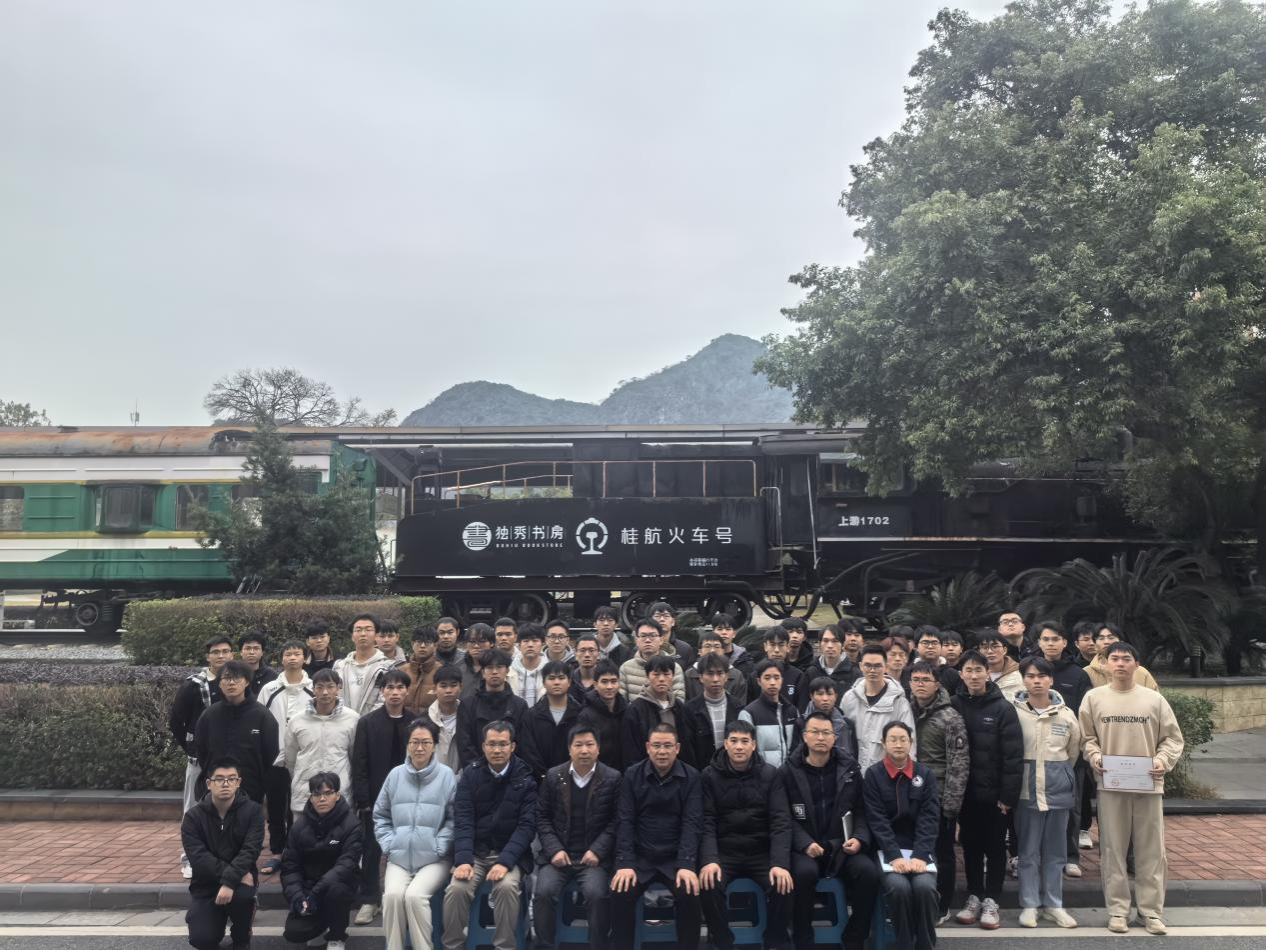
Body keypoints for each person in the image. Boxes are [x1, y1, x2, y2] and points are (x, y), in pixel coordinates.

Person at [1079, 642, 1184, 936]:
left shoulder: (1154, 700)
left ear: (1137, 664)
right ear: (1105, 664)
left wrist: (1163, 760)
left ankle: (1151, 912)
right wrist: (1095, 757)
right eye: (1114, 658)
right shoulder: (1094, 698)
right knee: (1112, 849)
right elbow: (1086, 737)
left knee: (1152, 851)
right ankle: (1117, 911)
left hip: (1148, 785)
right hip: (1111, 786)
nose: (1120, 663)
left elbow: (1172, 739)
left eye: (1126, 659)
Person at [782, 711, 881, 950]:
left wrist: (859, 838)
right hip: (806, 848)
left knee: (868, 873)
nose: (820, 738)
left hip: (841, 847)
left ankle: (854, 937)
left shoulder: (849, 769)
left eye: (826, 733)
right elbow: (782, 816)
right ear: (804, 736)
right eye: (815, 732)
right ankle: (803, 939)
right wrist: (804, 843)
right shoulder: (788, 771)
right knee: (803, 874)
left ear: (834, 737)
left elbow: (861, 810)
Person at [443, 721, 537, 950]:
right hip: (475, 853)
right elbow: (463, 820)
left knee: (506, 887)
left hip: (509, 855)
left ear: (512, 746)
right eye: (492, 744)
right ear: (483, 746)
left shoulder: (525, 778)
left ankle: (504, 946)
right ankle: (453, 945)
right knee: (457, 889)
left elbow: (526, 827)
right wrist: (463, 859)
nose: (497, 750)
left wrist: (505, 861)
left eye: (503, 744)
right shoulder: (471, 774)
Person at [699, 721, 793, 950]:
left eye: (744, 741)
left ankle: (773, 942)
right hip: (724, 852)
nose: (739, 747)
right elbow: (707, 821)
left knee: (785, 884)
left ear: (753, 745)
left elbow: (780, 821)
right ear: (725, 744)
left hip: (760, 851)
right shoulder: (709, 776)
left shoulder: (770, 774)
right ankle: (723, 943)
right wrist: (710, 860)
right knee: (708, 884)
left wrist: (779, 863)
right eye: (733, 741)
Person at [610, 723, 703, 950]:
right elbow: (625, 821)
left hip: (675, 858)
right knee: (620, 891)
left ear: (677, 748)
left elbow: (692, 823)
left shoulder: (691, 776)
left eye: (668, 746)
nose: (662, 751)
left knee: (690, 893)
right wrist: (625, 863)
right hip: (641, 858)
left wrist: (686, 864)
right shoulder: (632, 775)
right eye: (657, 746)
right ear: (647, 747)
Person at [950, 649, 1022, 930]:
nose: (973, 675)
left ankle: (992, 899)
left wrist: (1008, 796)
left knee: (994, 847)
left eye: (978, 670)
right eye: (968, 670)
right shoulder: (953, 705)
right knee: (970, 846)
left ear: (987, 673)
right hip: (965, 795)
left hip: (995, 797)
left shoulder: (1003, 708)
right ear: (961, 674)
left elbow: (1013, 756)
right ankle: (974, 896)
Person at [532, 725, 622, 950]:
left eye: (589, 744)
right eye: (578, 745)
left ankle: (598, 946)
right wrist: (554, 849)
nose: (584, 750)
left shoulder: (612, 778)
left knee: (597, 895)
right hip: (558, 856)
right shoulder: (554, 776)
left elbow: (616, 821)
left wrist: (597, 850)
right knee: (543, 893)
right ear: (569, 749)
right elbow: (542, 817)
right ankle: (545, 946)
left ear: (598, 748)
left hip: (593, 859)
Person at [375, 718, 457, 950]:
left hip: (434, 859)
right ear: (407, 745)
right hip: (399, 857)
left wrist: (439, 846)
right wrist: (390, 844)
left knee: (414, 896)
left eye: (425, 742)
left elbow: (454, 819)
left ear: (434, 745)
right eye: (414, 742)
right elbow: (380, 815)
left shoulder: (447, 776)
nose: (419, 748)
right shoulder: (395, 775)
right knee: (392, 897)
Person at [1012, 657, 1080, 929]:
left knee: (1056, 852)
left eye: (1042, 676)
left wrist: (1059, 775)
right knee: (1027, 852)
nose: (1036, 681)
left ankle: (1054, 904)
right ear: (1023, 680)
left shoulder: (1066, 714)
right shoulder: (1014, 713)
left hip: (1058, 790)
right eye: (1030, 676)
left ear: (1051, 679)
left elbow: (1073, 752)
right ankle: (1029, 905)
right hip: (1025, 792)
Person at [863, 722, 941, 950]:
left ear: (911, 743)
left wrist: (920, 855)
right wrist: (894, 855)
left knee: (925, 888)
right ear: (884, 743)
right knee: (899, 888)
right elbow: (877, 820)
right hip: (887, 852)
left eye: (903, 739)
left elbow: (929, 819)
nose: (898, 744)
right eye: (893, 739)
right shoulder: (873, 775)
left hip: (920, 851)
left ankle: (925, 945)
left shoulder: (924, 774)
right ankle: (904, 944)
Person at [350, 667, 417, 926]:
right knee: (371, 849)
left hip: (409, 798)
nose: (395, 692)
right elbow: (360, 762)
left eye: (400, 687)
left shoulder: (416, 722)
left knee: (407, 848)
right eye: (390, 687)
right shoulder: (368, 722)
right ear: (382, 691)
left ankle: (403, 898)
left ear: (407, 691)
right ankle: (370, 899)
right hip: (376, 798)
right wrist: (363, 798)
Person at [1030, 620, 1092, 878]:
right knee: (1035, 809)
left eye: (1055, 639)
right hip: (1036, 754)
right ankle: (1035, 855)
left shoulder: (1078, 674)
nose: (1050, 643)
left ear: (1065, 642)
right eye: (1045, 639)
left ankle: (1070, 856)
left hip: (1069, 755)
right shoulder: (1031, 670)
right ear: (1039, 642)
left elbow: (1086, 715)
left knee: (1071, 808)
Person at [181, 756, 264, 950]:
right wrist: (231, 878)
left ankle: (241, 937)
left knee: (243, 897)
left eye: (231, 778)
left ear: (238, 782)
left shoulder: (253, 812)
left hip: (240, 882)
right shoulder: (193, 817)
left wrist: (230, 882)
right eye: (219, 779)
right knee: (202, 939)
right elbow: (199, 858)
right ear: (209, 784)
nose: (225, 784)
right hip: (207, 884)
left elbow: (250, 851)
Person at [907, 661, 968, 923]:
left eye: (926, 680)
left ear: (937, 684)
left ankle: (942, 905)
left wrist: (951, 804)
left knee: (942, 854)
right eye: (916, 680)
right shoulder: (906, 711)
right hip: (910, 796)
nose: (920, 684)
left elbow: (959, 763)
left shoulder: (950, 717)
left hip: (940, 796)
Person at [169, 634, 229, 879]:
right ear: (207, 656)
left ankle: (220, 857)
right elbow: (176, 722)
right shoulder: (193, 685)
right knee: (193, 808)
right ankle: (189, 858)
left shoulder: (236, 681)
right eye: (216, 652)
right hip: (199, 760)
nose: (221, 656)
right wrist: (191, 748)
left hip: (228, 760)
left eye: (225, 651)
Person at [280, 772, 362, 950]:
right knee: (295, 932)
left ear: (337, 795)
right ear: (311, 798)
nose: (322, 799)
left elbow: (347, 864)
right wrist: (298, 897)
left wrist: (314, 894)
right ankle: (319, 923)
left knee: (336, 892)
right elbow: (290, 867)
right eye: (317, 794)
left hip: (338, 885)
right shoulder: (298, 827)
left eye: (328, 793)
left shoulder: (352, 824)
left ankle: (337, 936)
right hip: (308, 887)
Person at [257, 640, 314, 866]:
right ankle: (277, 851)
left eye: (297, 654)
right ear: (281, 659)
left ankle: (296, 849)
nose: (292, 658)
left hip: (304, 759)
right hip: (275, 759)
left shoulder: (314, 689)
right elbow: (259, 720)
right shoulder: (269, 689)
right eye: (288, 654)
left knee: (300, 805)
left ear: (305, 658)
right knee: (276, 806)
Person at [194, 660, 280, 806]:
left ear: (247, 682)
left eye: (237, 678)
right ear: (220, 683)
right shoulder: (209, 715)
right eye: (227, 678)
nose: (231, 683)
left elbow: (271, 752)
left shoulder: (262, 715)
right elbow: (201, 750)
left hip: (251, 786)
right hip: (215, 786)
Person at [286, 669, 361, 822]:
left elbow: (355, 757)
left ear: (338, 688)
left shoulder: (352, 719)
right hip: (305, 794)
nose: (325, 692)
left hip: (340, 794)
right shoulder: (297, 720)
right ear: (313, 689)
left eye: (330, 686)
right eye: (319, 687)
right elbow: (290, 758)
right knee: (303, 835)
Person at [840, 644, 916, 772]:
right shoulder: (849, 698)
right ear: (860, 666)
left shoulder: (899, 702)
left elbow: (909, 743)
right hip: (853, 773)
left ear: (886, 667)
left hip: (886, 774)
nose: (872, 670)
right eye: (868, 665)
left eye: (877, 666)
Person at [455, 648, 529, 767]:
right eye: (489, 667)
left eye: (499, 667)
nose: (494, 672)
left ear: (507, 671)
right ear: (483, 672)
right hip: (476, 772)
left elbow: (523, 745)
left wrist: (511, 770)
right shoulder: (468, 705)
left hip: (512, 772)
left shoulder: (520, 706)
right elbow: (465, 745)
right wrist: (476, 771)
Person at [622, 654, 694, 768]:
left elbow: (687, 746)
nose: (661, 679)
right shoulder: (636, 709)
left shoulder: (679, 707)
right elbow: (631, 750)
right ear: (647, 676)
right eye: (656, 674)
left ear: (673, 676)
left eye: (666, 674)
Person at [519, 660, 582, 780]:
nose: (556, 682)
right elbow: (529, 751)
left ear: (569, 682)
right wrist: (545, 777)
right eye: (551, 678)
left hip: (574, 779)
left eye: (561, 678)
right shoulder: (531, 715)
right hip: (540, 780)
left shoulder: (580, 714)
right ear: (543, 682)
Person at [682, 651, 743, 768]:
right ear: (700, 677)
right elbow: (688, 750)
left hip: (731, 771)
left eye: (720, 673)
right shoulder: (689, 710)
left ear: (727, 676)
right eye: (710, 674)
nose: (715, 679)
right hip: (702, 771)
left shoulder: (738, 707)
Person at [739, 659, 802, 769]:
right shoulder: (749, 713)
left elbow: (798, 747)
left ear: (782, 680)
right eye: (767, 678)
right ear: (759, 681)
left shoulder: (792, 711)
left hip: (790, 774)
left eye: (776, 677)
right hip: (762, 775)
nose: (772, 682)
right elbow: (746, 751)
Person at [334, 614, 397, 717]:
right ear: (352, 636)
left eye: (368, 630)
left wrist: (366, 722)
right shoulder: (339, 666)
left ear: (376, 635)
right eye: (358, 630)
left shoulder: (387, 667)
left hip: (373, 723)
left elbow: (385, 700)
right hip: (342, 722)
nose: (363, 634)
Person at [576, 659, 628, 769]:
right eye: (604, 682)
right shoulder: (585, 715)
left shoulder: (626, 711)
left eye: (613, 681)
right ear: (595, 685)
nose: (609, 686)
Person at [618, 618, 686, 702]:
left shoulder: (674, 667)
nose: (647, 640)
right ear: (636, 640)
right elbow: (621, 701)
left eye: (652, 636)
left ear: (661, 640)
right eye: (643, 636)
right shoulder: (626, 668)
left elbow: (679, 700)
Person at [1085, 623, 1160, 689]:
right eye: (1101, 638)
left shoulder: (1141, 672)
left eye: (1111, 637)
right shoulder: (1086, 673)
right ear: (1095, 644)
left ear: (1121, 642)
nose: (1106, 642)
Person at [799, 676, 858, 760]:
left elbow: (853, 755)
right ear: (811, 696)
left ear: (836, 696)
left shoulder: (847, 724)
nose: (825, 699)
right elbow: (797, 754)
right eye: (820, 694)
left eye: (829, 694)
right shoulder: (801, 722)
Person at [684, 631, 748, 703]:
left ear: (723, 651)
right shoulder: (689, 675)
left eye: (717, 646)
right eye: (707, 646)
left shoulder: (736, 675)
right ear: (699, 651)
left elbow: (740, 704)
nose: (712, 650)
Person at [804, 624, 859, 707]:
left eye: (835, 641)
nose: (830, 646)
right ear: (819, 644)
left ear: (843, 644)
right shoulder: (811, 672)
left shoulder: (854, 673)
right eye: (825, 641)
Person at [749, 626, 805, 708]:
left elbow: (802, 708)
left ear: (788, 647)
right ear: (765, 646)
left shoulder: (797, 676)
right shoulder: (754, 676)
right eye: (772, 645)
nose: (776, 650)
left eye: (781, 645)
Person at [427, 664, 463, 772]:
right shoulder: (426, 719)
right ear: (434, 688)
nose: (448, 690)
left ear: (461, 687)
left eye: (453, 685)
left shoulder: (468, 717)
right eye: (443, 686)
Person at [404, 626, 441, 713]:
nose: (422, 646)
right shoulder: (402, 671)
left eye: (427, 642)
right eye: (419, 642)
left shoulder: (441, 672)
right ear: (412, 644)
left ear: (435, 646)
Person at [977, 631, 1023, 702]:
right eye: (985, 647)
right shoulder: (974, 676)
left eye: (995, 647)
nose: (990, 651)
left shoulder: (1021, 673)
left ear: (1004, 650)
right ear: (979, 651)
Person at [914, 627, 960, 695]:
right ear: (916, 647)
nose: (930, 646)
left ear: (941, 646)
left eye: (934, 643)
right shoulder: (907, 672)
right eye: (925, 642)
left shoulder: (953, 675)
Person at [510, 622, 547, 706]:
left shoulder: (550, 671)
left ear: (542, 644)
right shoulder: (508, 672)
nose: (530, 645)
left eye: (535, 641)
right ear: (519, 645)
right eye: (525, 641)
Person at [650, 601, 697, 667]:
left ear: (673, 622)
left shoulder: (685, 649)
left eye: (666, 616)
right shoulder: (645, 646)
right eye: (657, 616)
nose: (662, 619)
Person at [710, 613, 754, 682]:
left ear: (734, 634)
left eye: (728, 629)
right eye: (720, 629)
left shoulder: (745, 660)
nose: (724, 632)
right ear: (713, 632)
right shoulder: (706, 659)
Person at [459, 624, 495, 700]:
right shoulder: (458, 667)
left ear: (491, 643)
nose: (476, 646)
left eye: (482, 641)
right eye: (472, 641)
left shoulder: (498, 667)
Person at [239, 630, 278, 695]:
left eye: (256, 648)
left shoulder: (271, 676)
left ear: (262, 652)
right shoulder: (233, 674)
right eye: (248, 648)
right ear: (241, 652)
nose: (252, 652)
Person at [568, 632, 603, 702]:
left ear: (598, 654)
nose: (587, 655)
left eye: (591, 650)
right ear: (575, 654)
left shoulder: (606, 680)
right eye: (582, 650)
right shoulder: (568, 680)